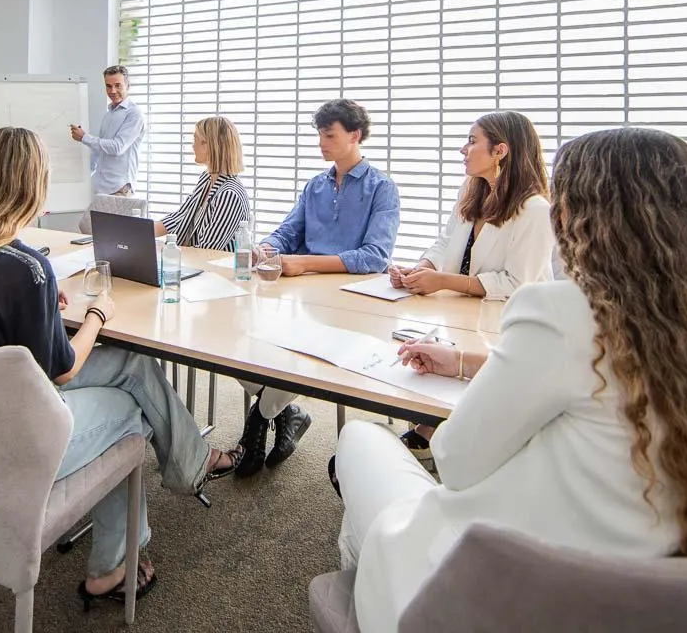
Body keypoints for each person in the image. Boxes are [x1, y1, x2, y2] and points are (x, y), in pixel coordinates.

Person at [331, 127, 687, 633]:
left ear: (579, 216)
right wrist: (468, 361)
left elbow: (456, 460)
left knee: (361, 439)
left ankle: (372, 597)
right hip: (624, 583)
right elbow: (598, 382)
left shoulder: (562, 310)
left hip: (494, 591)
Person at [0, 127, 240, 606]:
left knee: (132, 367)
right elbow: (63, 370)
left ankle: (179, 477)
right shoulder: (25, 268)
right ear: (36, 185)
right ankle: (114, 566)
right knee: (129, 412)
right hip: (8, 442)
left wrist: (40, 310)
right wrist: (97, 314)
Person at [239, 99, 400, 478]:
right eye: (320, 135)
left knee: (298, 354)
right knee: (242, 341)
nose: (321, 143)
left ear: (355, 135)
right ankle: (286, 411)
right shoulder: (315, 185)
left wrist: (305, 263)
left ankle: (259, 418)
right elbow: (289, 232)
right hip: (301, 294)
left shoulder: (381, 188)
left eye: (329, 135)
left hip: (351, 303)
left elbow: (375, 256)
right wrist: (264, 247)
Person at [385, 111, 556, 464]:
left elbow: (516, 284)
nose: (463, 149)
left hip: (504, 323)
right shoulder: (471, 190)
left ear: (501, 151)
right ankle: (430, 429)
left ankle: (439, 438)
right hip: (458, 314)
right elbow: (444, 242)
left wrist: (442, 281)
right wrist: (422, 269)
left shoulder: (536, 210)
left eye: (472, 141)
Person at [153, 116, 251, 249]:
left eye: (196, 139)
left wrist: (166, 251)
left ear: (209, 145)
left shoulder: (229, 194)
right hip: (195, 263)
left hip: (212, 268)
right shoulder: (206, 178)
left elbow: (207, 249)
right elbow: (181, 217)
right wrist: (141, 232)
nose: (193, 145)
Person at [73, 65, 145, 233]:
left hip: (119, 188)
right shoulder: (109, 114)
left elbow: (118, 147)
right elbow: (99, 151)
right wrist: (86, 174)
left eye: (118, 85)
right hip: (102, 188)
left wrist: (85, 137)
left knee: (112, 238)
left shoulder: (134, 114)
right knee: (88, 230)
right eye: (108, 86)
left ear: (128, 85)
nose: (113, 90)